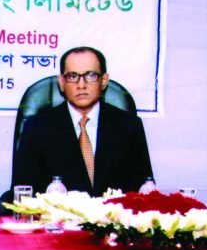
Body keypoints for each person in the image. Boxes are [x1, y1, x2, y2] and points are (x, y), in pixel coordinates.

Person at [12, 46, 153, 197]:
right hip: (57, 218)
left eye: (90, 75)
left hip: (113, 218)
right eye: (72, 76)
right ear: (61, 82)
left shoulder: (129, 126)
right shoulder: (37, 128)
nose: (81, 85)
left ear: (104, 80)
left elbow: (144, 188)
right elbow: (23, 193)